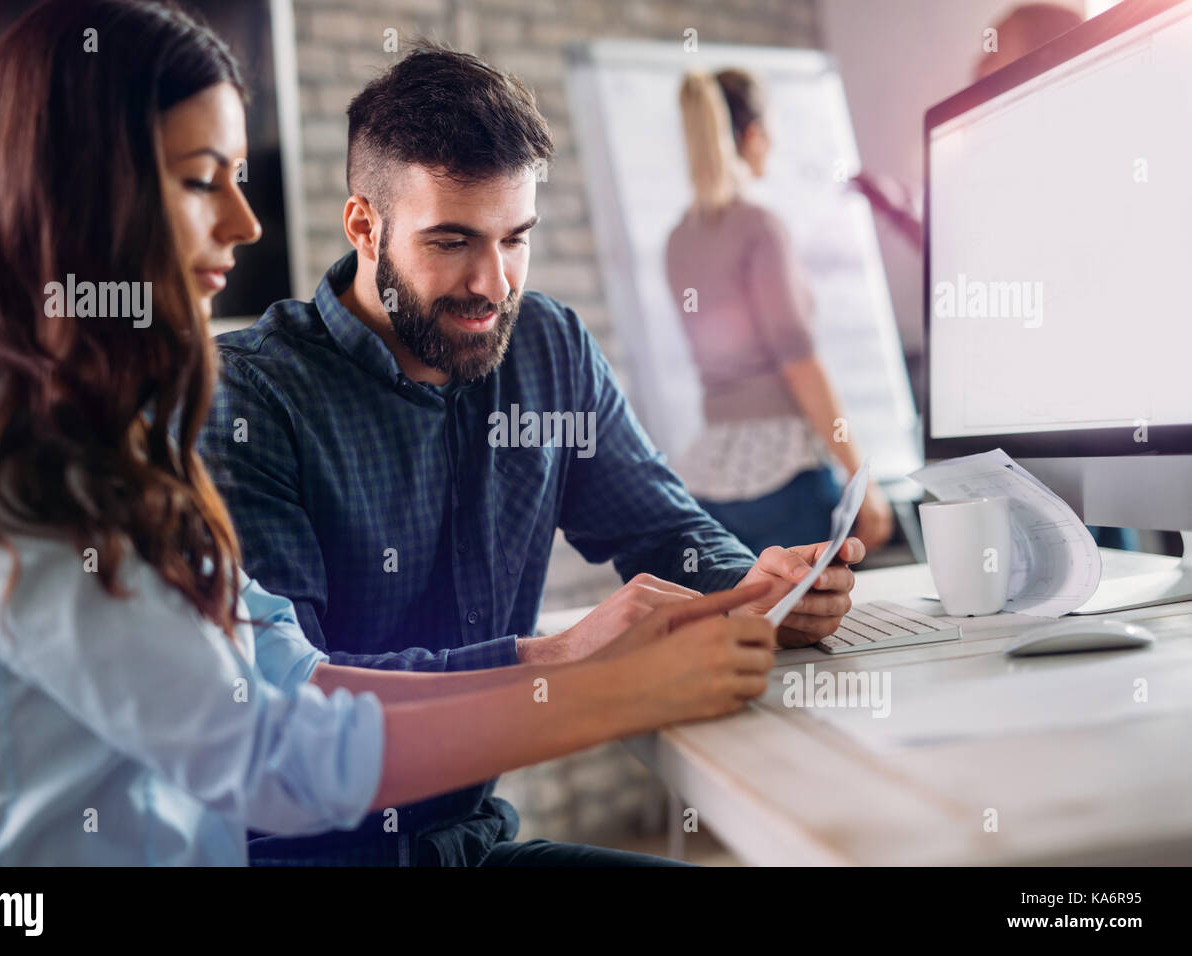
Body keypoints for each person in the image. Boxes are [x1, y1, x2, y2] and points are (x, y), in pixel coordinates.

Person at [0, 0, 781, 866]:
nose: (244, 225)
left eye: (516, 239)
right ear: (82, 189)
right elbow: (272, 754)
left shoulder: (111, 420)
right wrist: (607, 692)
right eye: (203, 180)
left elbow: (287, 672)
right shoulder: (4, 452)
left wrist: (567, 656)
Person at [196, 42, 866, 867]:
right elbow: (301, 697)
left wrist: (759, 591)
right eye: (452, 242)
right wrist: (565, 660)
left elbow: (663, 533)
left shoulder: (546, 345)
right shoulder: (248, 399)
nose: (493, 283)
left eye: (515, 238)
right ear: (365, 225)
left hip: (470, 848)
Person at [851, 2, 1139, 552]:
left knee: (1092, 548)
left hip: (1068, 412)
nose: (976, 72)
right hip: (1010, 415)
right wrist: (902, 213)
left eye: (991, 55)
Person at [665, 70, 896, 558]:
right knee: (817, 625)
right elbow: (799, 363)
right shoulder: (760, 228)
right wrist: (862, 480)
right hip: (785, 478)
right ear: (752, 136)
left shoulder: (677, 239)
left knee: (752, 631)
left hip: (712, 480)